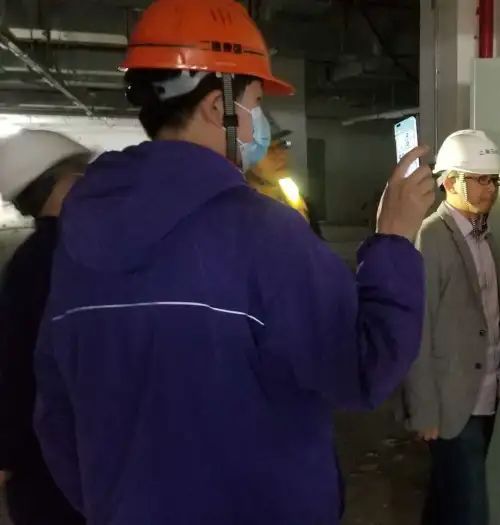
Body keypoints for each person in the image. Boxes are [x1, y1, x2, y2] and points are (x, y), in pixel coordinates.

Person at [31, 1, 434, 524]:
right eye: (256, 102)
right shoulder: (262, 232)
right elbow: (363, 368)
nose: (260, 122)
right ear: (215, 105)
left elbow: (56, 417)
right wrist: (394, 239)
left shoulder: (77, 242)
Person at [403, 130, 500, 525]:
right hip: (451, 403)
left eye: (493, 180)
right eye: (480, 180)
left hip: (486, 395)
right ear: (450, 182)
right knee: (469, 509)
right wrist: (424, 410)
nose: (490, 189)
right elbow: (418, 328)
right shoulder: (431, 236)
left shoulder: (487, 238)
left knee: (447, 500)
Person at [0, 130, 89, 525]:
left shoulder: (43, 256)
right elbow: (16, 363)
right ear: (56, 185)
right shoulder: (47, 261)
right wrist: (8, 453)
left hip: (58, 455)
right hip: (54, 462)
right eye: (80, 173)